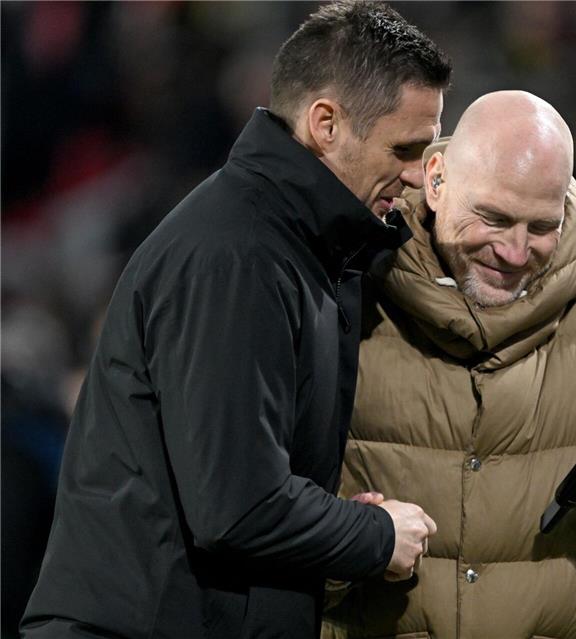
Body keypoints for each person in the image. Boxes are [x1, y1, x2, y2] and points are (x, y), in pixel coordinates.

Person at [21, 3, 451, 638]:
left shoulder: (298, 245)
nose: (417, 176)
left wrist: (329, 518)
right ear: (326, 124)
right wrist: (375, 534)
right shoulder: (239, 256)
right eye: (404, 149)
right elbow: (238, 507)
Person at [319, 91, 576, 639]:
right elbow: (256, 511)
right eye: (493, 218)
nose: (514, 252)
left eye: (541, 226)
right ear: (436, 180)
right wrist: (347, 539)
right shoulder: (340, 290)